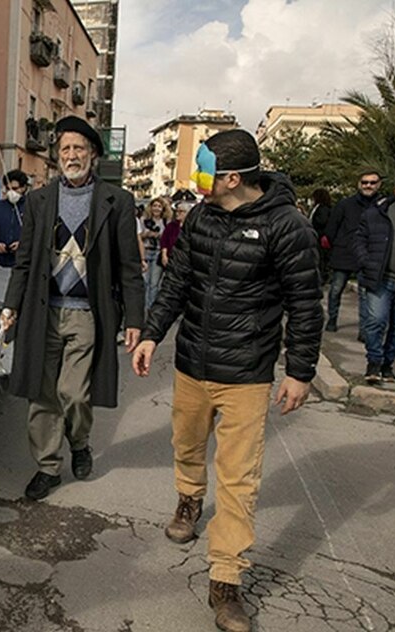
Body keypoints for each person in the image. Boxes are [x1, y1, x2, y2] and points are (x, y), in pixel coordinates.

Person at [132, 129, 322, 632]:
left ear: (232, 177)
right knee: (187, 447)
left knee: (239, 480)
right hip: (193, 363)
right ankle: (189, 498)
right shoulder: (199, 217)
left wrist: (300, 371)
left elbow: (306, 304)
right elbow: (176, 283)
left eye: (204, 170)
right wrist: (153, 334)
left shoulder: (288, 227)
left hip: (247, 375)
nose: (196, 180)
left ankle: (226, 581)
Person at [0, 115, 144, 501]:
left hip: (87, 313)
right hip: (43, 311)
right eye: (65, 148)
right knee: (42, 395)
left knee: (74, 393)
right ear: (57, 156)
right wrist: (11, 305)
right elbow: (25, 261)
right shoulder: (38, 201)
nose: (71, 155)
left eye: (79, 148)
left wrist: (135, 319)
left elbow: (130, 267)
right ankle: (48, 467)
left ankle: (79, 441)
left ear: (93, 154)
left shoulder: (118, 202)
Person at [324, 170, 382, 336]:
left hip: (367, 256)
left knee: (365, 295)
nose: (368, 186)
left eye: (372, 183)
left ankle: (363, 331)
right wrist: (337, 245)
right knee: (336, 290)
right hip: (344, 254)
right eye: (365, 182)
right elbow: (331, 228)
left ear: (378, 185)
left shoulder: (380, 206)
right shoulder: (345, 204)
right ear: (359, 184)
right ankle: (332, 320)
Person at [353, 194, 395, 384]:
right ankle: (374, 362)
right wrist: (366, 262)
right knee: (376, 321)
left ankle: (387, 365)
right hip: (382, 278)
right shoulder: (377, 213)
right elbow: (358, 240)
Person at [0, 169, 29, 267]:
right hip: (0, 260)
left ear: (24, 188)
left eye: (15, 188)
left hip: (23, 262)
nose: (11, 192)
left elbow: (37, 233)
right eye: (8, 189)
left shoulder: (31, 208)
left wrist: (22, 244)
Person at [140, 197, 171, 309]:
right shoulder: (143, 220)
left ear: (163, 209)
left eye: (159, 206)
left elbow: (168, 238)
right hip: (146, 251)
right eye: (154, 206)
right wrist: (147, 234)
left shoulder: (166, 222)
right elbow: (139, 236)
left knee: (154, 284)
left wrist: (159, 236)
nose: (156, 209)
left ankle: (151, 308)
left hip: (158, 253)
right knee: (145, 282)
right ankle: (143, 307)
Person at [310, 187, 333, 284]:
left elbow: (322, 221)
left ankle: (323, 277)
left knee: (321, 258)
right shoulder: (319, 208)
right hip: (317, 236)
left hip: (320, 236)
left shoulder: (322, 209)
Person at [159, 202, 189, 268]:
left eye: (180, 211)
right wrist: (164, 255)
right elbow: (164, 241)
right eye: (176, 211)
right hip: (171, 257)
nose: (177, 213)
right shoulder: (171, 226)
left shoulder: (190, 227)